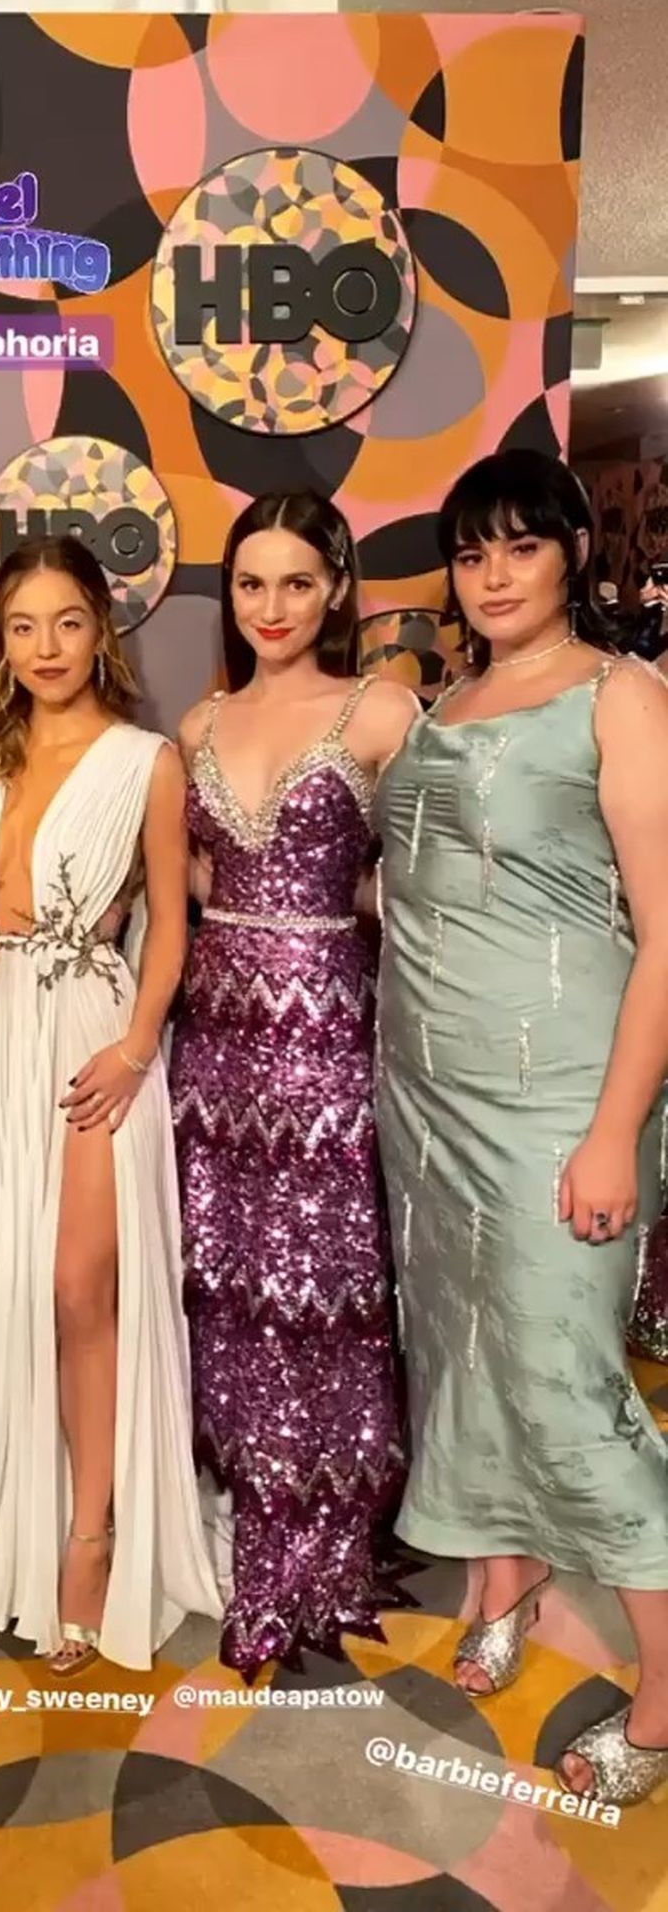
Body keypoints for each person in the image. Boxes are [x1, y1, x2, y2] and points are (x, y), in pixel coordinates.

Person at [374, 447, 668, 1809]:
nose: (490, 575)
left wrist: (613, 1131)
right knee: (462, 1353)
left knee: (566, 1383)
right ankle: (507, 1569)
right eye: (468, 552)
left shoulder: (622, 699)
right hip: (426, 1098)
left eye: (520, 546)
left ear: (572, 556)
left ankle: (662, 1697)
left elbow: (665, 935)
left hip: (561, 1095)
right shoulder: (443, 701)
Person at [0, 534, 221, 1674]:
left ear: (100, 628)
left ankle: (93, 1534)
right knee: (12, 1290)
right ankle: (18, 1519)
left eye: (67, 621)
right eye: (24, 626)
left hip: (91, 1038)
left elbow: (170, 926)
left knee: (78, 1287)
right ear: (1, 642)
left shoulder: (146, 760)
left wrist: (135, 1047)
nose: (47, 647)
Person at [168, 491, 419, 1680]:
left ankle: (319, 1541)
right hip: (213, 1038)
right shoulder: (198, 720)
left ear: (336, 589)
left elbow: (429, 881)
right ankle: (247, 1507)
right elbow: (186, 875)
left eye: (296, 583)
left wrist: (339, 912)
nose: (270, 608)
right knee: (227, 1281)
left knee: (318, 1280)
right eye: (250, 584)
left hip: (326, 1036)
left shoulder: (382, 711)